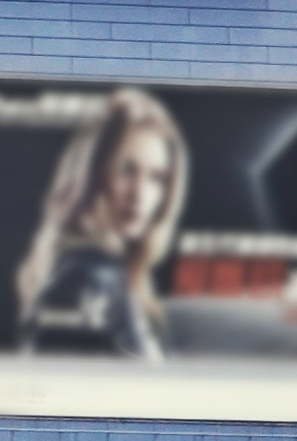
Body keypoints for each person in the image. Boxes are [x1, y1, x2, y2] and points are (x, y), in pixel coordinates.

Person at [12, 87, 187, 356]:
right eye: (127, 170)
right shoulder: (89, 276)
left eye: (156, 178)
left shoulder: (112, 275)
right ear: (94, 174)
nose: (139, 194)